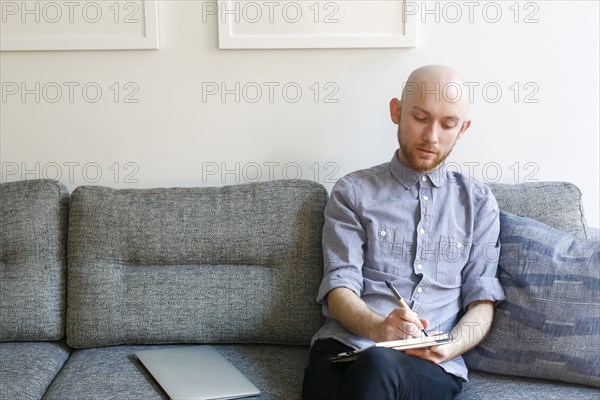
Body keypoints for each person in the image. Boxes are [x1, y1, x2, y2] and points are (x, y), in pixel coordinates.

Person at [302, 65, 506, 400]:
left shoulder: (478, 202)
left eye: (448, 124)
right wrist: (379, 328)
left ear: (463, 129)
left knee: (380, 366)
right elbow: (339, 287)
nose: (432, 136)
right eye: (421, 118)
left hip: (428, 367)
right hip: (344, 353)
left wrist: (451, 346)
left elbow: (482, 302)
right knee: (375, 363)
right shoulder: (353, 192)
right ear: (397, 111)